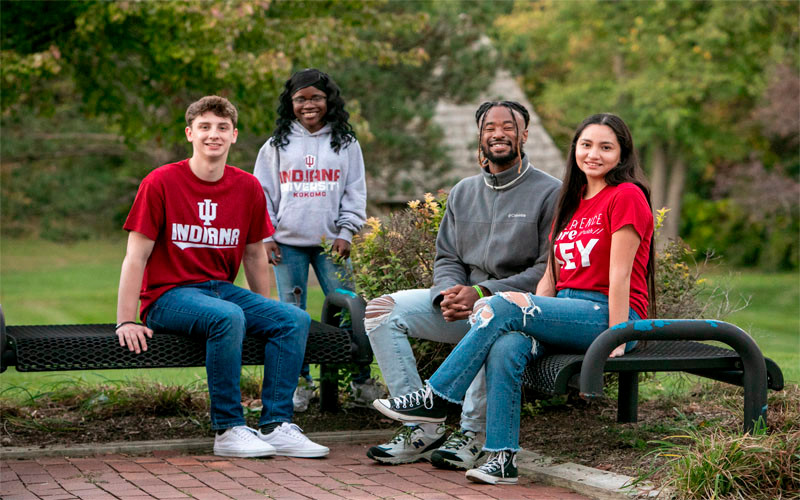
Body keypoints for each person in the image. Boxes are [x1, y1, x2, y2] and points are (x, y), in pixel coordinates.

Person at [372, 113, 656, 485]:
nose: (594, 155)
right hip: (565, 309)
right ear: (575, 151)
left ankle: (436, 397)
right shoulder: (571, 202)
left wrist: (617, 335)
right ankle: (502, 457)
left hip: (608, 314)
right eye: (586, 145)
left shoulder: (626, 196)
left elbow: (620, 275)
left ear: (622, 154)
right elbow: (551, 278)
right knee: (507, 344)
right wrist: (534, 314)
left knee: (500, 303)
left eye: (606, 147)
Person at [115, 95, 329, 459]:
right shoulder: (161, 182)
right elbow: (136, 256)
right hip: (169, 296)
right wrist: (125, 320)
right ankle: (228, 428)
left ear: (233, 136)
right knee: (228, 316)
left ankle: (276, 425)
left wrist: (266, 308)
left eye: (222, 128)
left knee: (292, 318)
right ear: (189, 133)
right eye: (205, 127)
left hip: (221, 290)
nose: (213, 134)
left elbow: (253, 255)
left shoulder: (246, 187)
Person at [363, 101, 562, 469]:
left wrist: (484, 293)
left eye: (508, 127)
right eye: (489, 128)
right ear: (479, 136)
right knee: (381, 310)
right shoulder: (463, 192)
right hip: (461, 304)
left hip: (518, 312)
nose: (498, 134)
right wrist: (447, 294)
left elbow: (547, 269)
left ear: (524, 135)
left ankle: (473, 434)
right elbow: (447, 257)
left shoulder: (551, 193)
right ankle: (422, 426)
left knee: (492, 319)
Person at [253, 69, 378, 412]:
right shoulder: (276, 145)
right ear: (290, 103)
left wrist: (346, 231)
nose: (309, 105)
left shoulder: (346, 143)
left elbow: (355, 191)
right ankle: (298, 384)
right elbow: (260, 193)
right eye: (300, 99)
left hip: (331, 244)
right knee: (291, 314)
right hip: (286, 243)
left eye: (316, 98)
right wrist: (266, 235)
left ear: (329, 100)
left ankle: (359, 381)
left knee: (349, 310)